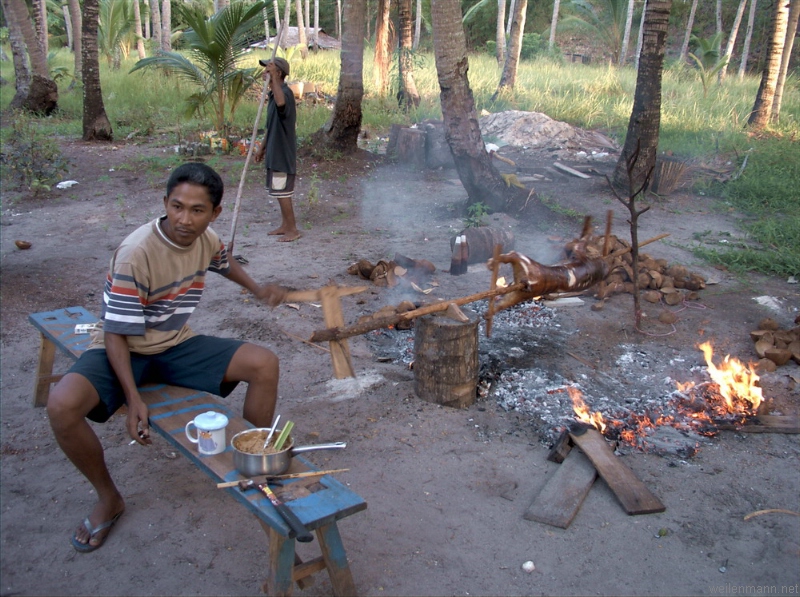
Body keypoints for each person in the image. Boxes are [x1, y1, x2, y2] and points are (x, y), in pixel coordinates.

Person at [46, 162, 288, 553]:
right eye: (177, 207)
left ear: (215, 214)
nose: (184, 219)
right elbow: (115, 333)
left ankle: (253, 463)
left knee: (264, 363)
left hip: (173, 344)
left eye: (197, 210)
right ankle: (109, 497)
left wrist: (258, 289)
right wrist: (133, 399)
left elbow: (223, 262)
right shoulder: (136, 253)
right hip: (122, 348)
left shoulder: (206, 239)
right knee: (61, 406)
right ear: (164, 203)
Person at [254, 56, 301, 242]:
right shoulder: (273, 95)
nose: (264, 73)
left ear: (278, 73)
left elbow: (282, 105)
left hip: (282, 153)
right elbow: (270, 126)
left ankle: (293, 230)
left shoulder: (284, 94)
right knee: (278, 190)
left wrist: (273, 79)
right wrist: (262, 148)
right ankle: (285, 225)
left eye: (268, 70)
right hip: (274, 151)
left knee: (283, 192)